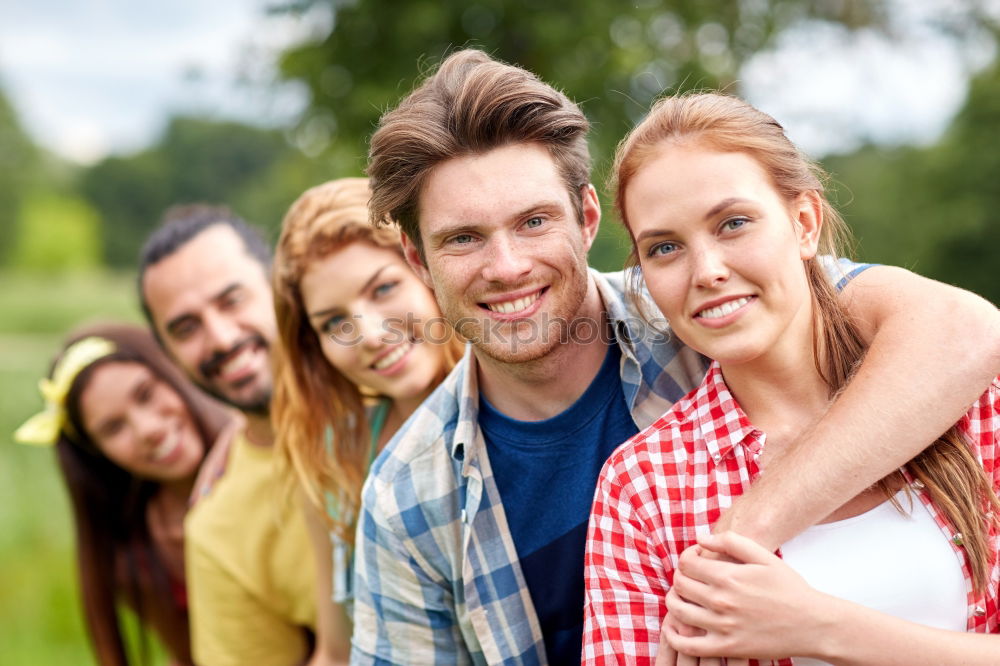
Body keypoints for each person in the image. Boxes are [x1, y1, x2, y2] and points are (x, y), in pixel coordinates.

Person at [351, 49, 1000, 665]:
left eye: (533, 222)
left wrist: (725, 551)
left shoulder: (719, 310)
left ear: (584, 218)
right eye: (463, 238)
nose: (508, 266)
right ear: (418, 260)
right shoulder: (409, 496)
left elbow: (961, 333)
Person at [582, 92, 1000, 665]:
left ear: (804, 223)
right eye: (665, 248)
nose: (707, 272)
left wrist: (821, 628)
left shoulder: (973, 403)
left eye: (733, 223)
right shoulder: (642, 487)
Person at [270, 177, 464, 662]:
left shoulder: (522, 409)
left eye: (383, 288)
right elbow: (336, 651)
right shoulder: (338, 459)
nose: (370, 335)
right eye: (335, 323)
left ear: (423, 265)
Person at [138, 206, 317, 666]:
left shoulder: (402, 377)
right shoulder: (217, 528)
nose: (218, 338)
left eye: (232, 300)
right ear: (169, 356)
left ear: (280, 282)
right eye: (185, 328)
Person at [14, 322, 235, 666]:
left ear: (171, 371)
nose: (148, 429)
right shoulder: (138, 556)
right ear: (99, 454)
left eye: (146, 394)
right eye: (114, 428)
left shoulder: (266, 455)